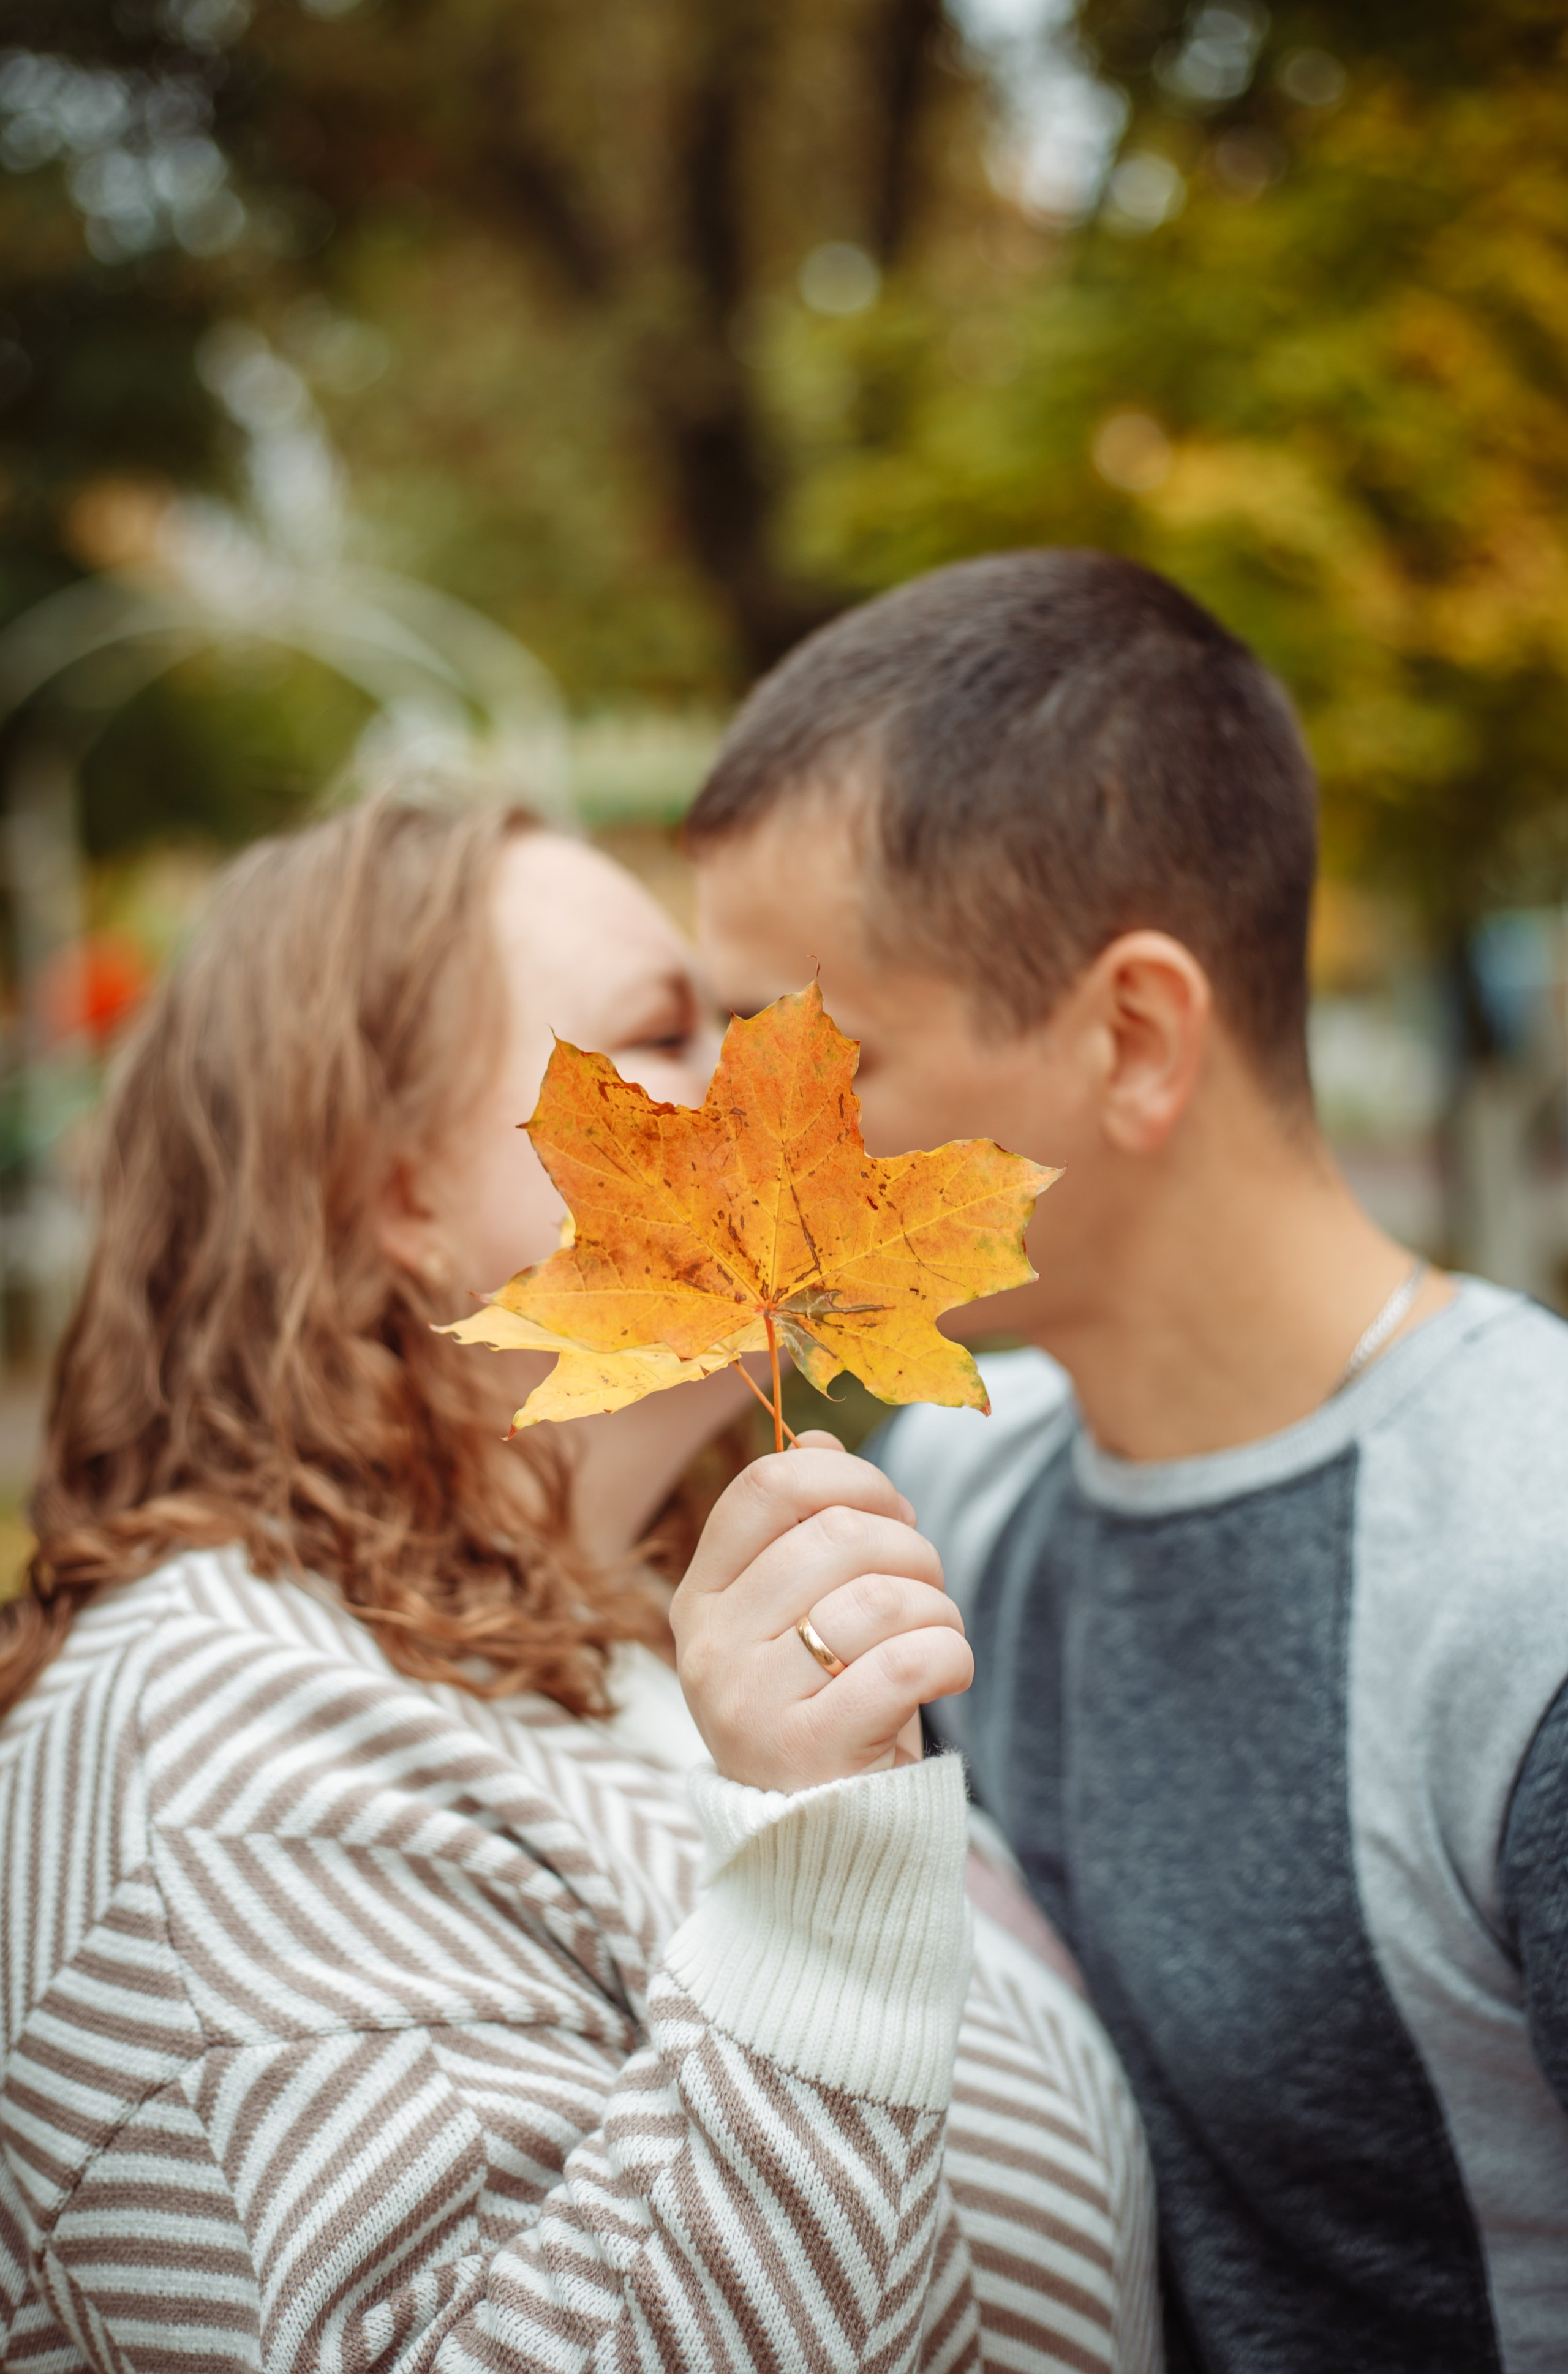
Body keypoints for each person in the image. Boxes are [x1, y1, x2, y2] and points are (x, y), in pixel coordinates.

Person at [0, 789, 1160, 2372]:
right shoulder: (204, 1745)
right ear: (391, 1186)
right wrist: (812, 1897)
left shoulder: (655, 1648)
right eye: (669, 1034)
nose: (773, 1094)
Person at [685, 548, 1568, 2374]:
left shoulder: (1526, 1588)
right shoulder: (946, 1491)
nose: (750, 1155)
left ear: (1135, 1036)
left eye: (827, 1063)